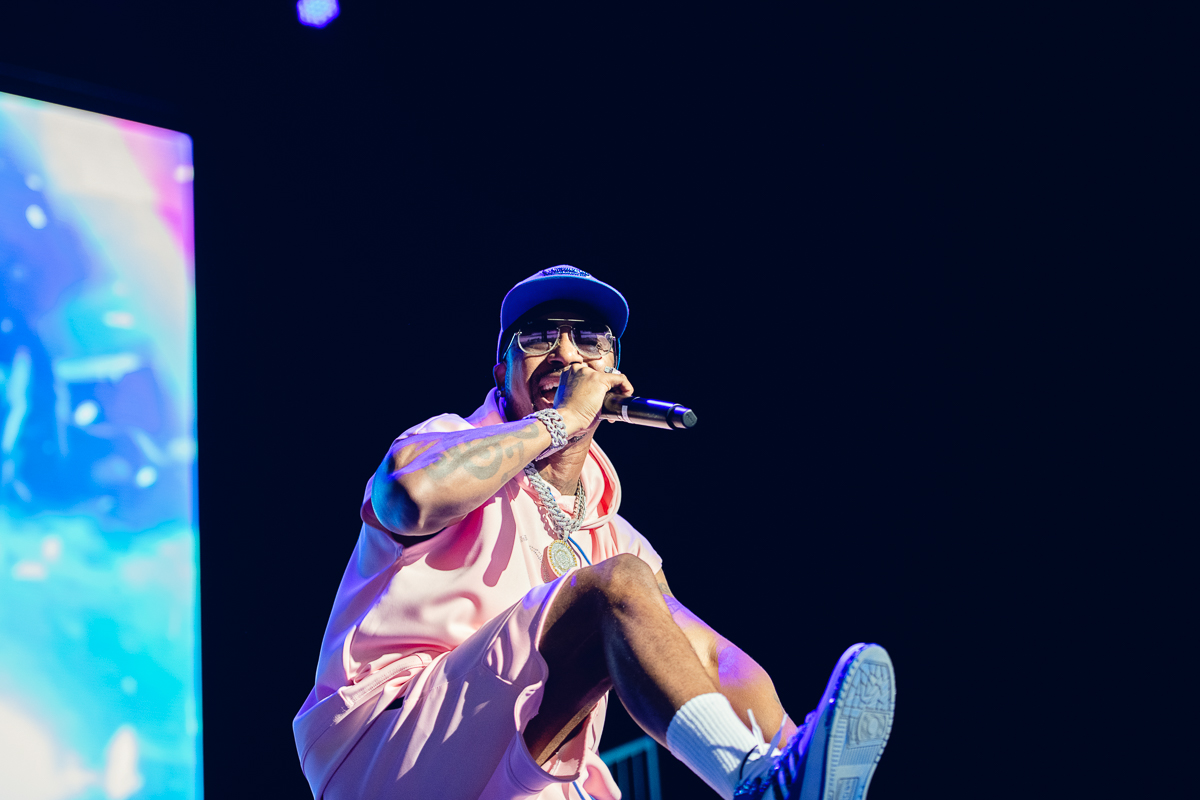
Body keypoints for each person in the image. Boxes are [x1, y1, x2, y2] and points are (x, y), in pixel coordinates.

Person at [293, 266, 896, 800]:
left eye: (589, 339)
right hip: (392, 747)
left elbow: (709, 658)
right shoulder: (444, 442)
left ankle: (786, 776)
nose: (566, 354)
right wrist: (560, 420)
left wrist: (801, 754)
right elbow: (410, 498)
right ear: (501, 372)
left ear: (613, 373)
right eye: (538, 337)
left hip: (529, 769)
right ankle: (755, 783)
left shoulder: (619, 537)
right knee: (614, 588)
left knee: (655, 613)